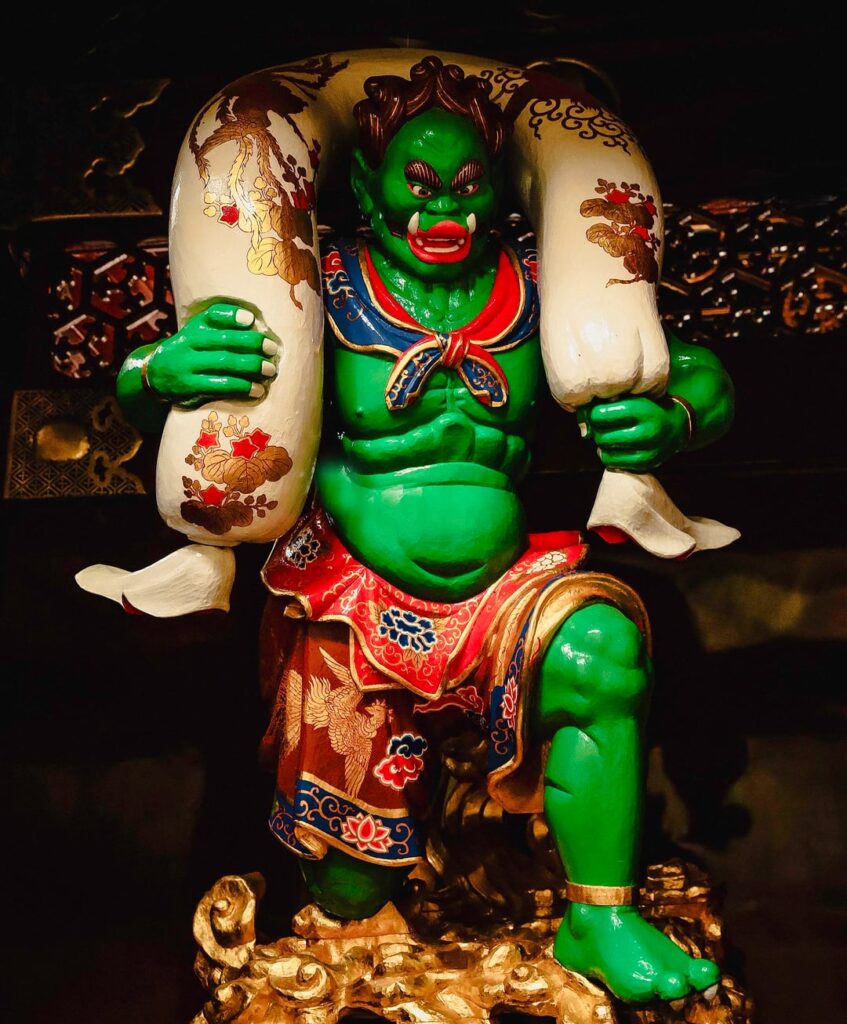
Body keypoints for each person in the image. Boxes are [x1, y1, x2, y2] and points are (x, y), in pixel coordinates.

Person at [115, 57, 734, 1003]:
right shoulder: (318, 282)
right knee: (349, 890)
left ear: (500, 192)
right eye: (416, 182)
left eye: (466, 184)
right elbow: (129, 386)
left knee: (603, 652)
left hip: (505, 588)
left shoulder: (539, 287)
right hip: (352, 593)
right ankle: (349, 923)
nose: (441, 207)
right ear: (364, 186)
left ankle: (598, 917)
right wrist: (163, 369)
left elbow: (699, 373)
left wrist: (675, 416)